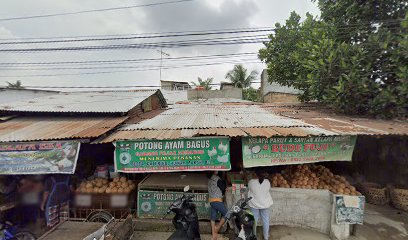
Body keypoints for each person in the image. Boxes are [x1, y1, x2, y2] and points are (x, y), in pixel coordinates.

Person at [248, 170, 273, 240]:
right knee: (265, 220)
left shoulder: (251, 182)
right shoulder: (267, 182)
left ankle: (254, 236)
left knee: (254, 220)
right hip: (265, 204)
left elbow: (250, 188)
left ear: (255, 174)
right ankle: (266, 237)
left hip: (254, 204)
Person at [207, 171, 228, 240]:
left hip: (211, 200)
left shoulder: (209, 178)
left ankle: (214, 235)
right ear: (214, 171)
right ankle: (217, 228)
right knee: (227, 214)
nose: (217, 170)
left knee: (213, 217)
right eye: (216, 169)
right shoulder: (216, 178)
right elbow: (223, 187)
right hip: (217, 200)